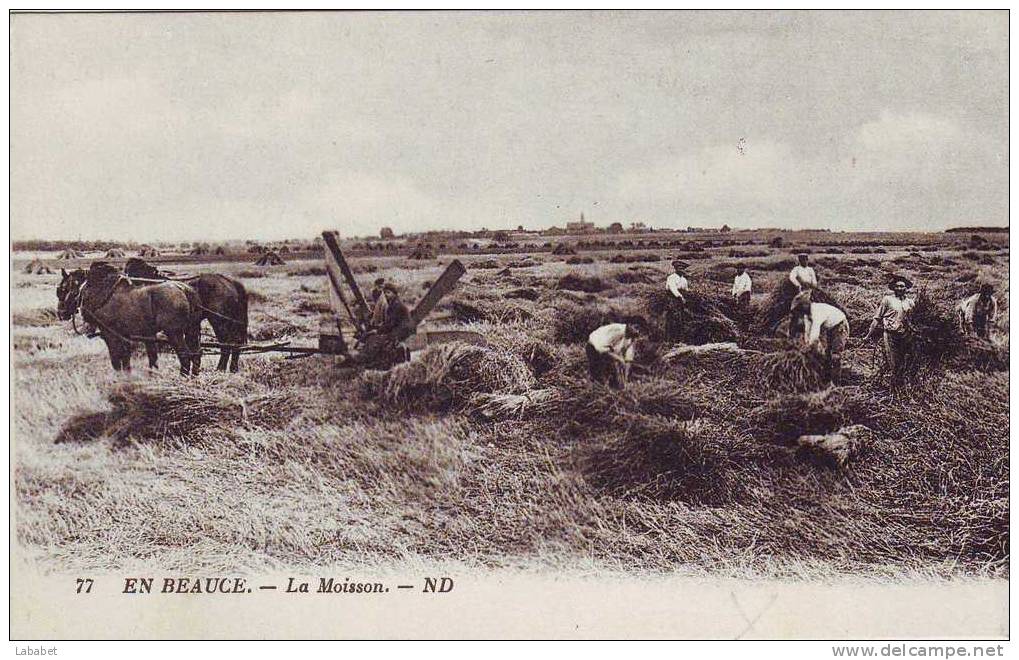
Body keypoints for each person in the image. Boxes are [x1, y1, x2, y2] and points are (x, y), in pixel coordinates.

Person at [791, 290, 849, 383]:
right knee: (826, 354)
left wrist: (809, 349)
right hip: (829, 328)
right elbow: (807, 332)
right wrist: (806, 345)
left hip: (840, 325)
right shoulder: (807, 315)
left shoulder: (816, 311)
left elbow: (814, 333)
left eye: (800, 308)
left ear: (805, 305)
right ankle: (825, 379)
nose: (800, 312)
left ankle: (836, 383)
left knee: (835, 356)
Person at [866, 276, 915, 383]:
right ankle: (895, 388)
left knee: (906, 362)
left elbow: (914, 320)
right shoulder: (887, 300)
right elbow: (877, 318)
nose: (899, 288)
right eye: (897, 286)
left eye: (902, 286)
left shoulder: (910, 303)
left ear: (906, 288)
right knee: (894, 363)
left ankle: (904, 386)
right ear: (893, 288)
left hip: (906, 336)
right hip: (891, 335)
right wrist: (868, 335)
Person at [586, 322, 638, 389]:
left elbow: (628, 358)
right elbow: (601, 349)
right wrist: (619, 359)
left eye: (640, 330)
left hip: (610, 351)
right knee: (599, 378)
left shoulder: (632, 337)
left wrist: (625, 379)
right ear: (629, 324)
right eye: (636, 328)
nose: (637, 331)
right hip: (595, 348)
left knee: (617, 381)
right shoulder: (618, 330)